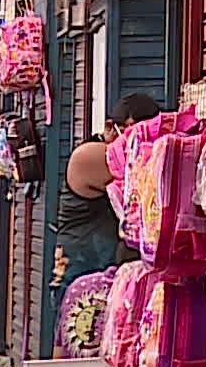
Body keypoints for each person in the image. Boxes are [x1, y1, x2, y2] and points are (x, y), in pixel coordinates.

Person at [54, 92, 161, 292]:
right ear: (110, 128)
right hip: (81, 285)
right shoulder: (87, 156)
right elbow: (143, 179)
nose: (142, 145)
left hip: (112, 280)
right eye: (136, 134)